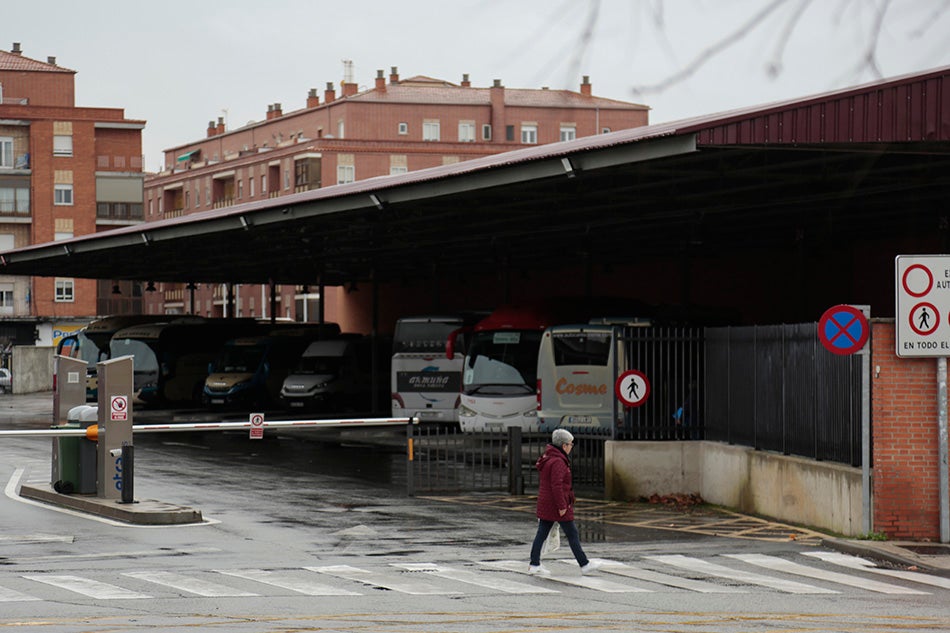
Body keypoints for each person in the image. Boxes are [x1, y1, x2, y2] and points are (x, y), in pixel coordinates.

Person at [528, 428, 602, 575]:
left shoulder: (548, 457)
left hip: (547, 502)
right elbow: (557, 485)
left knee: (542, 534)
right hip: (557, 504)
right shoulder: (558, 462)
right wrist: (562, 506)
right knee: (572, 533)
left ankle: (534, 564)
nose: (571, 447)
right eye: (570, 444)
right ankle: (584, 564)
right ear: (563, 446)